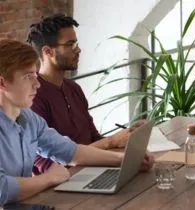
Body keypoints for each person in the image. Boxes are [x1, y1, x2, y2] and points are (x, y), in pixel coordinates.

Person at [0, 39, 153, 205]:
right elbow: (2, 190)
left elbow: (70, 152)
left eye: (35, 75)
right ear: (2, 83)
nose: (37, 84)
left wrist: (126, 159)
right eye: (28, 77)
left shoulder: (29, 119)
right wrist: (49, 178)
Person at [26, 14, 153, 174]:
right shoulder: (33, 96)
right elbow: (45, 166)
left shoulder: (74, 88)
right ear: (48, 52)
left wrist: (124, 137)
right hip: (60, 185)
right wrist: (111, 142)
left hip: (93, 170)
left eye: (76, 43)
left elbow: (94, 138)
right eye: (70, 45)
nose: (78, 49)